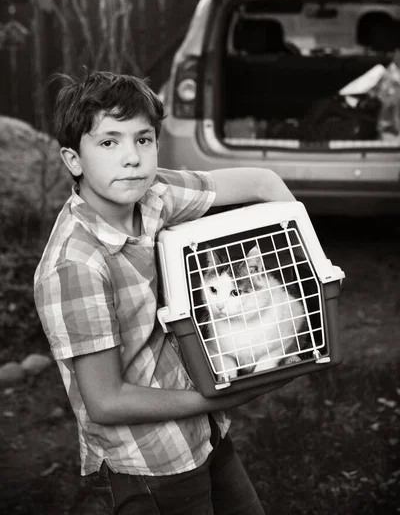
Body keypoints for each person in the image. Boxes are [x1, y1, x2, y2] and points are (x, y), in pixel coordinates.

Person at [34, 70, 296, 515]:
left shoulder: (153, 196)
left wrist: (310, 271)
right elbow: (106, 401)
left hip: (204, 432)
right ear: (73, 159)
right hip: (149, 461)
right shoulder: (75, 266)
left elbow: (263, 182)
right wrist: (219, 396)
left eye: (144, 139)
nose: (132, 158)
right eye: (109, 142)